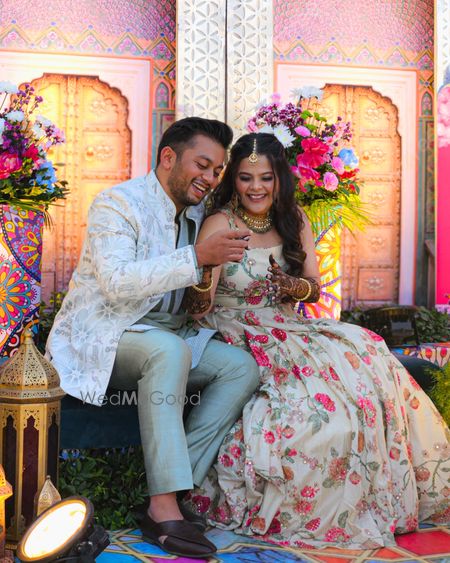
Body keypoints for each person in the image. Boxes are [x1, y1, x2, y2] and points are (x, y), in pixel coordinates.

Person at [182, 132, 450, 549]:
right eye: (246, 178)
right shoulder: (221, 224)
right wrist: (205, 267)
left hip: (290, 328)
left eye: (266, 178)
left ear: (279, 179)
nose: (256, 188)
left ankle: (376, 498)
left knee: (366, 359)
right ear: (233, 179)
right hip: (237, 333)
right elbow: (198, 310)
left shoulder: (294, 219)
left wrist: (292, 286)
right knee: (305, 416)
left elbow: (313, 287)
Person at [46, 118, 261, 558]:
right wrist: (196, 256)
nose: (210, 178)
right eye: (202, 165)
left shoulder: (198, 213)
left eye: (217, 170)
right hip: (109, 332)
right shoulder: (117, 203)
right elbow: (117, 282)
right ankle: (163, 511)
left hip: (170, 332)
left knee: (240, 368)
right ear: (168, 157)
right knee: (167, 351)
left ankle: (176, 489)